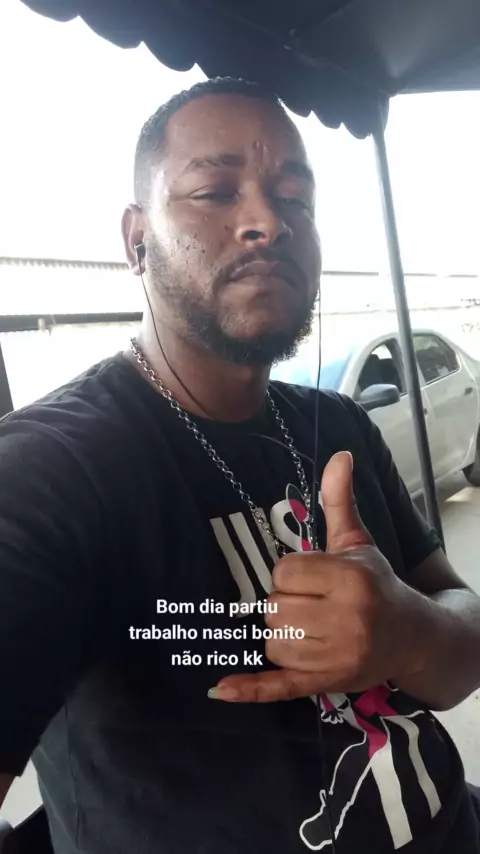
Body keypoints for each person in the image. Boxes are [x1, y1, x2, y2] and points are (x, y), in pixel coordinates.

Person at [0, 77, 480, 854]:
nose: (268, 221)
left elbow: (466, 638)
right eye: (215, 192)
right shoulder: (47, 472)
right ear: (136, 240)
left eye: (296, 198)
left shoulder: (338, 423)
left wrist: (410, 635)